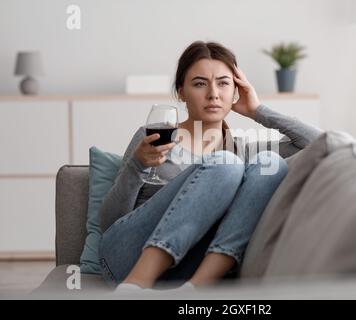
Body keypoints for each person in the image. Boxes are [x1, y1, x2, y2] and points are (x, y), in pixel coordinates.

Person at [98, 41, 322, 292]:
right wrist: (136, 166)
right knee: (225, 163)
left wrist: (257, 110)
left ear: (236, 90)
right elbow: (109, 222)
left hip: (186, 269)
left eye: (224, 83)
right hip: (126, 258)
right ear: (181, 92)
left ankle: (196, 288)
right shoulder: (154, 138)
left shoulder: (244, 151)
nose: (213, 93)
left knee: (270, 163)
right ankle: (135, 285)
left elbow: (321, 144)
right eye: (200, 83)